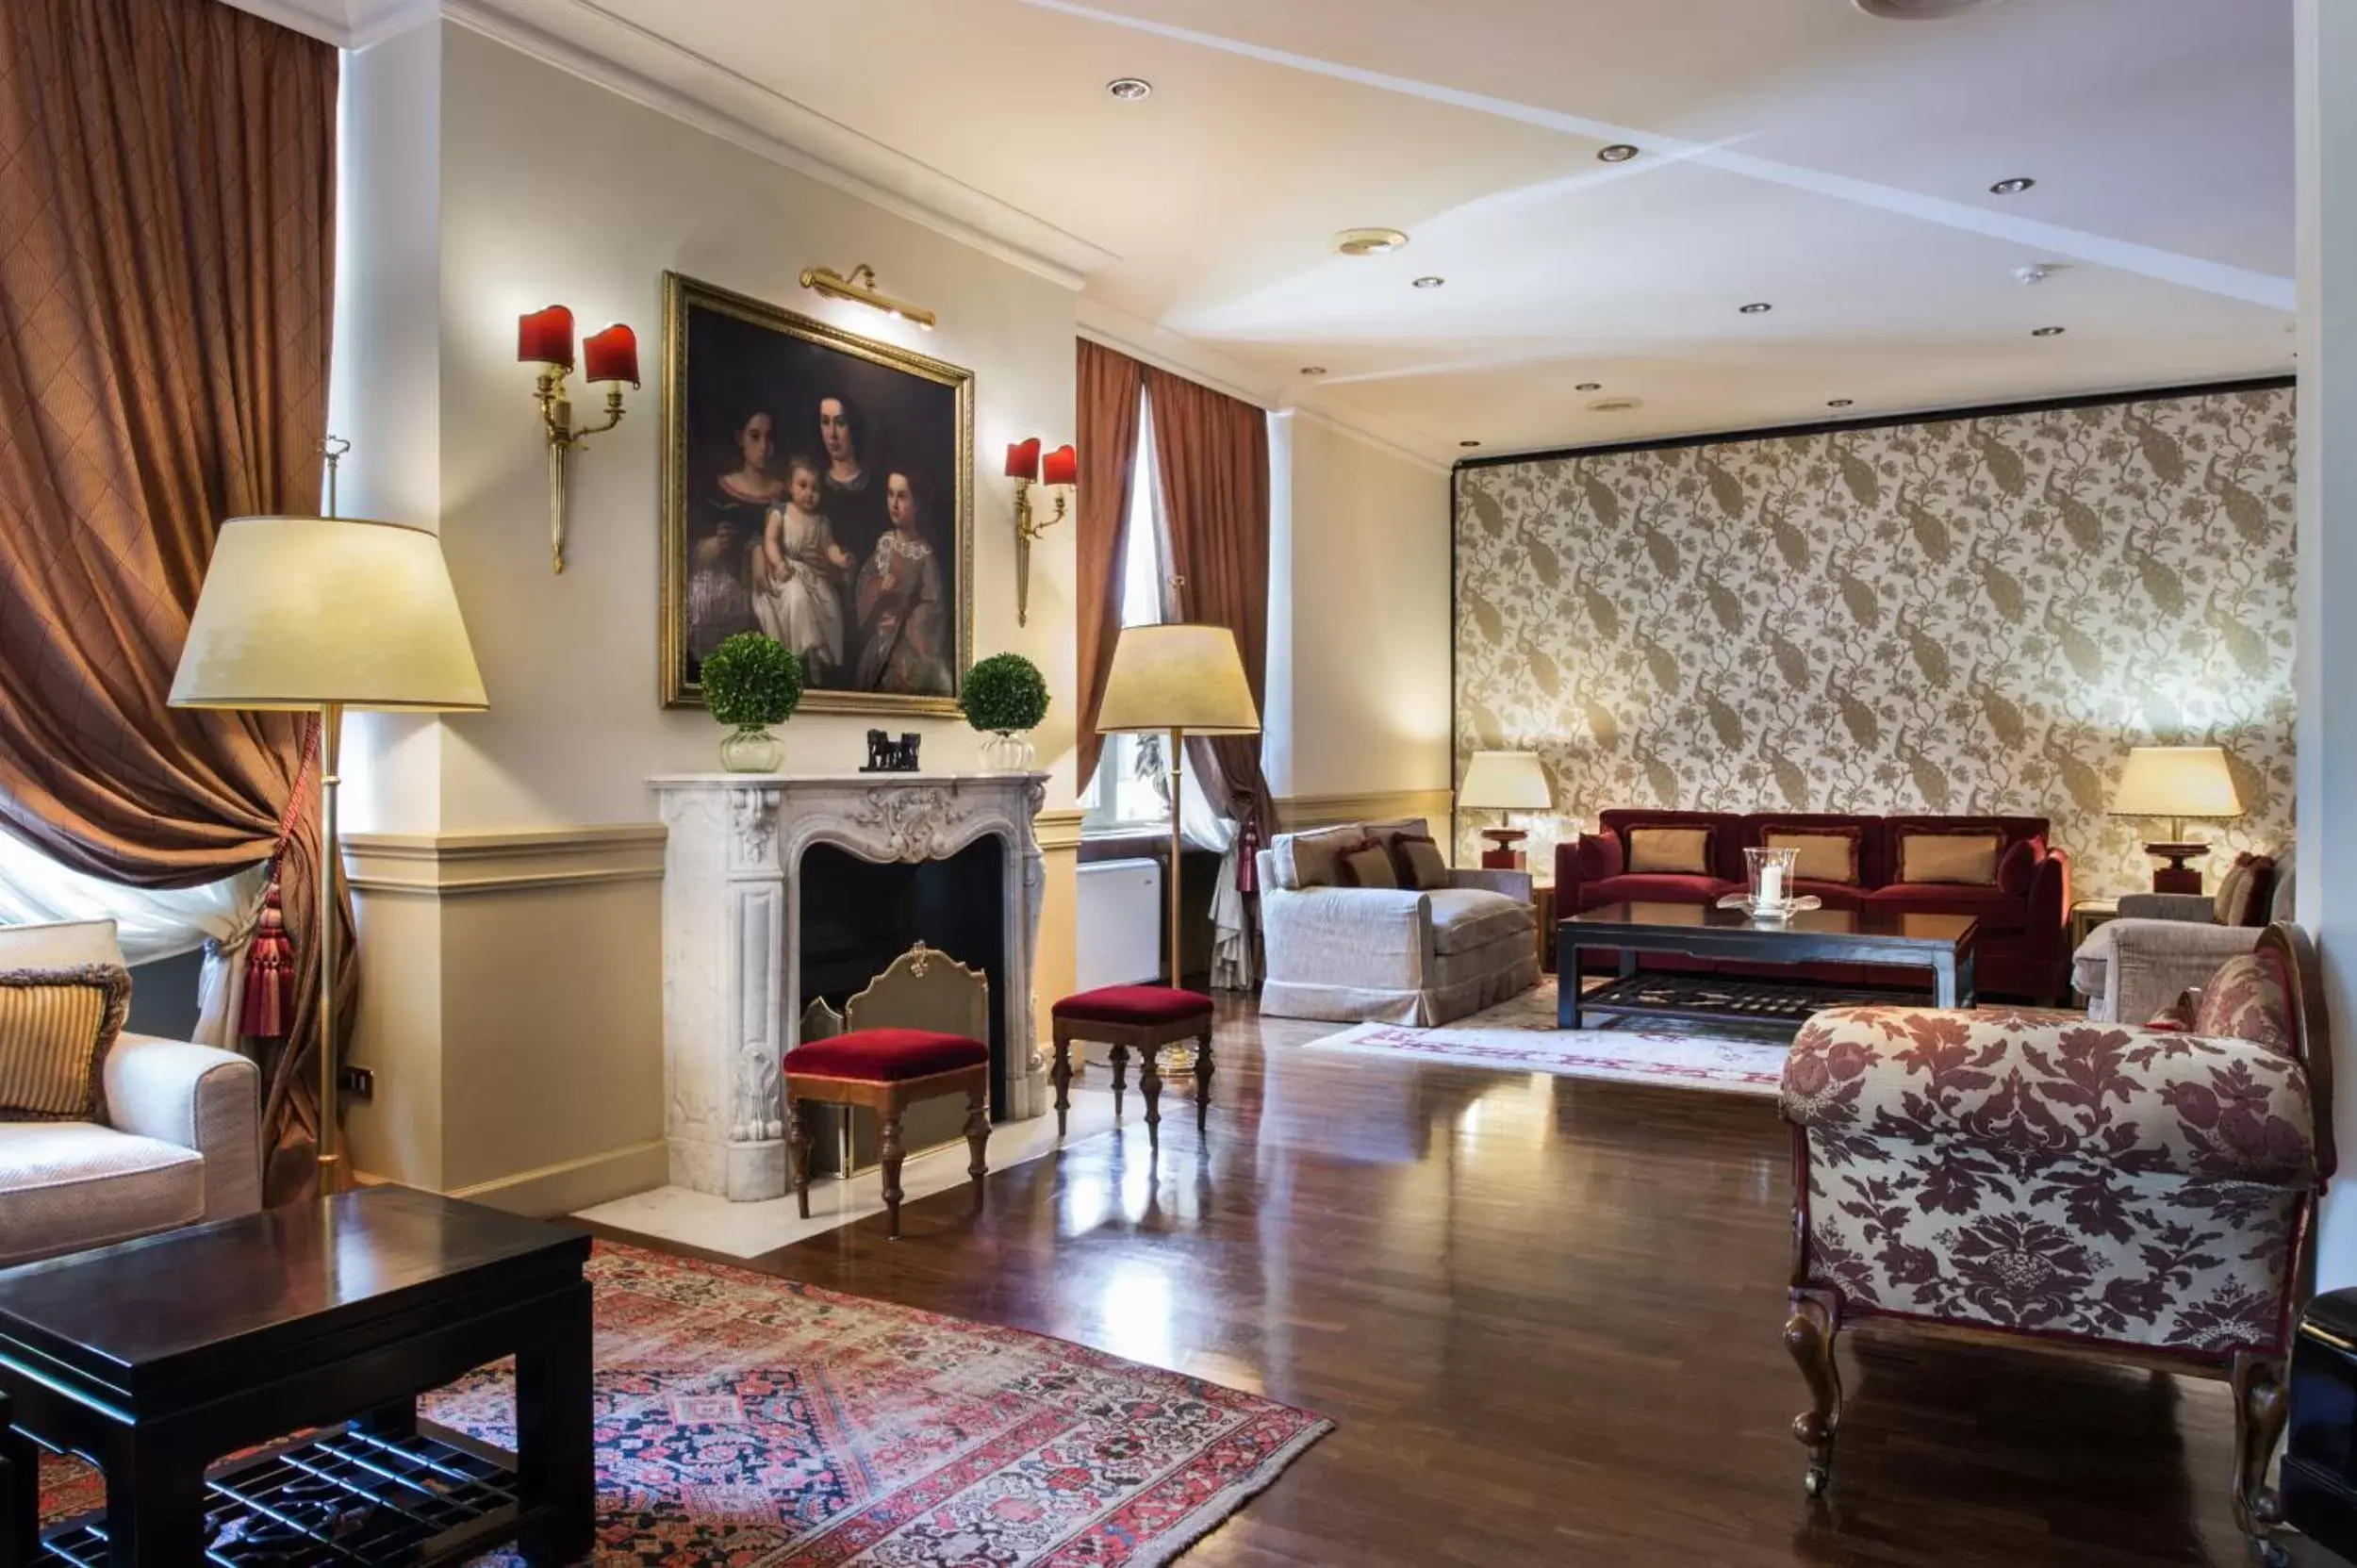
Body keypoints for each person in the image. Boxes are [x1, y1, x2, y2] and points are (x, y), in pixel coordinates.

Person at [686, 408, 779, 667]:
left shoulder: (786, 492)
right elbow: (691, 547)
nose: (763, 446)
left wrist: (760, 548)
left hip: (772, 582)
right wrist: (716, 544)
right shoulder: (718, 489)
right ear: (740, 438)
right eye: (755, 436)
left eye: (769, 438)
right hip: (729, 582)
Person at [751, 454, 854, 678]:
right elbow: (770, 540)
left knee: (832, 604)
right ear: (790, 486)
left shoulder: (821, 521)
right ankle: (804, 655)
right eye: (803, 486)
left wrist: (839, 559)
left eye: (815, 489)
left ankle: (823, 658)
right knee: (798, 598)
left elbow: (829, 547)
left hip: (813, 576)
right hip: (787, 572)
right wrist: (778, 563)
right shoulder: (781, 512)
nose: (809, 493)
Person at [854, 470, 952, 696]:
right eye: (890, 495)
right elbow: (863, 582)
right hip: (878, 642)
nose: (894, 504)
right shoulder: (884, 543)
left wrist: (904, 623)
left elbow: (933, 605)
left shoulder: (924, 555)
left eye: (902, 496)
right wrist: (878, 586)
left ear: (917, 504)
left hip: (908, 646)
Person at [816, 392, 892, 569]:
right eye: (825, 422)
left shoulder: (878, 488)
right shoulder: (812, 486)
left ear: (854, 427)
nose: (832, 434)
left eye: (840, 423)